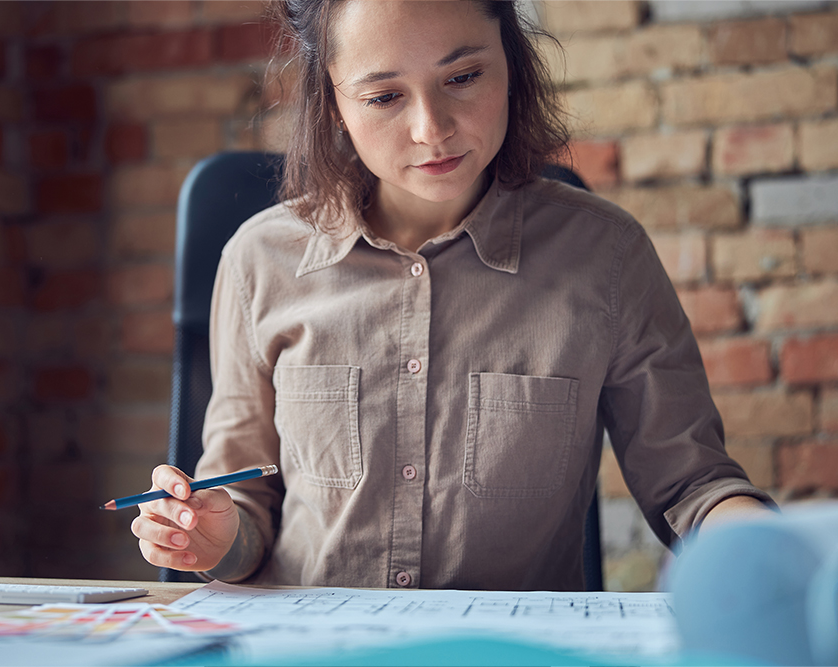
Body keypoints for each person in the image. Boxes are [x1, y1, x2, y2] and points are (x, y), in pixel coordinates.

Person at [131, 0, 776, 591]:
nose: (430, 129)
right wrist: (214, 537)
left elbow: (692, 486)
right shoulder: (259, 260)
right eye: (384, 95)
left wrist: (767, 550)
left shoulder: (605, 257)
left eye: (463, 78)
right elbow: (244, 503)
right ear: (333, 101)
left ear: (511, 65)